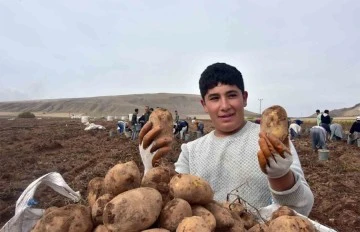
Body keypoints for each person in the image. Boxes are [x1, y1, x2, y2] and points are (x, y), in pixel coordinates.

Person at [138, 62, 314, 216]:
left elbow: (303, 208)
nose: (224, 106)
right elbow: (170, 205)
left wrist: (281, 175)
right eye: (214, 98)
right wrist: (150, 167)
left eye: (231, 95)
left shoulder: (272, 144)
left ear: (244, 98)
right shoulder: (191, 151)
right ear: (204, 105)